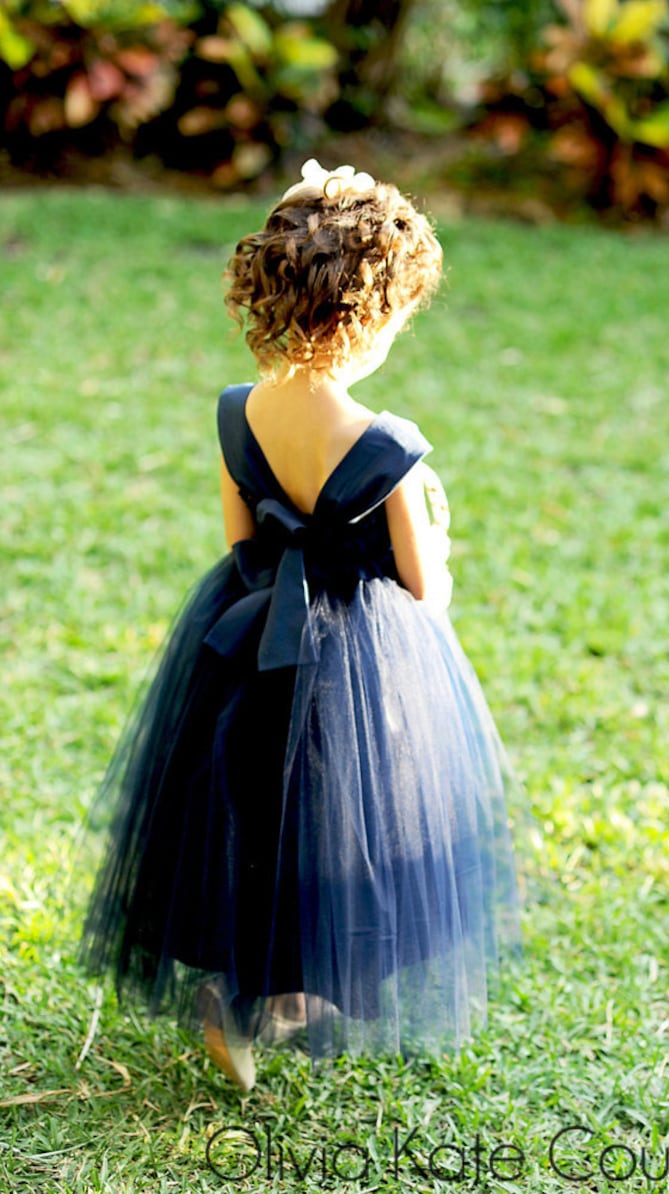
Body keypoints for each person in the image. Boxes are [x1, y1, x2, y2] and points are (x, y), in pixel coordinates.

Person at [80, 160, 520, 1091]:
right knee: (334, 824)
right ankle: (290, 991)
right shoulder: (390, 447)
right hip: (357, 659)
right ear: (367, 320)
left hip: (242, 641)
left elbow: (243, 544)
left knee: (242, 810)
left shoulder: (239, 412)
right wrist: (436, 531)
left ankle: (235, 990)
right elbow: (423, 594)